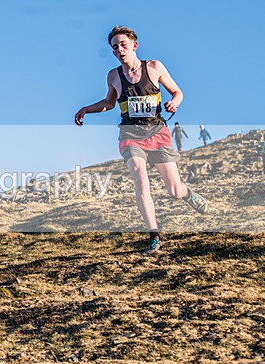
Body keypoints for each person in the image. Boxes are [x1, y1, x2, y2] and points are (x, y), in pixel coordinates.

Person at [74, 26, 208, 253]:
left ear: (134, 45)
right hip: (130, 134)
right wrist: (87, 109)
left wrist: (174, 102)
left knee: (174, 190)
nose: (119, 50)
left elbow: (178, 92)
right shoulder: (113, 76)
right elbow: (109, 103)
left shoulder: (154, 67)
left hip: (157, 133)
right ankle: (153, 234)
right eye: (115, 47)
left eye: (123, 45)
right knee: (139, 175)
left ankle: (188, 194)